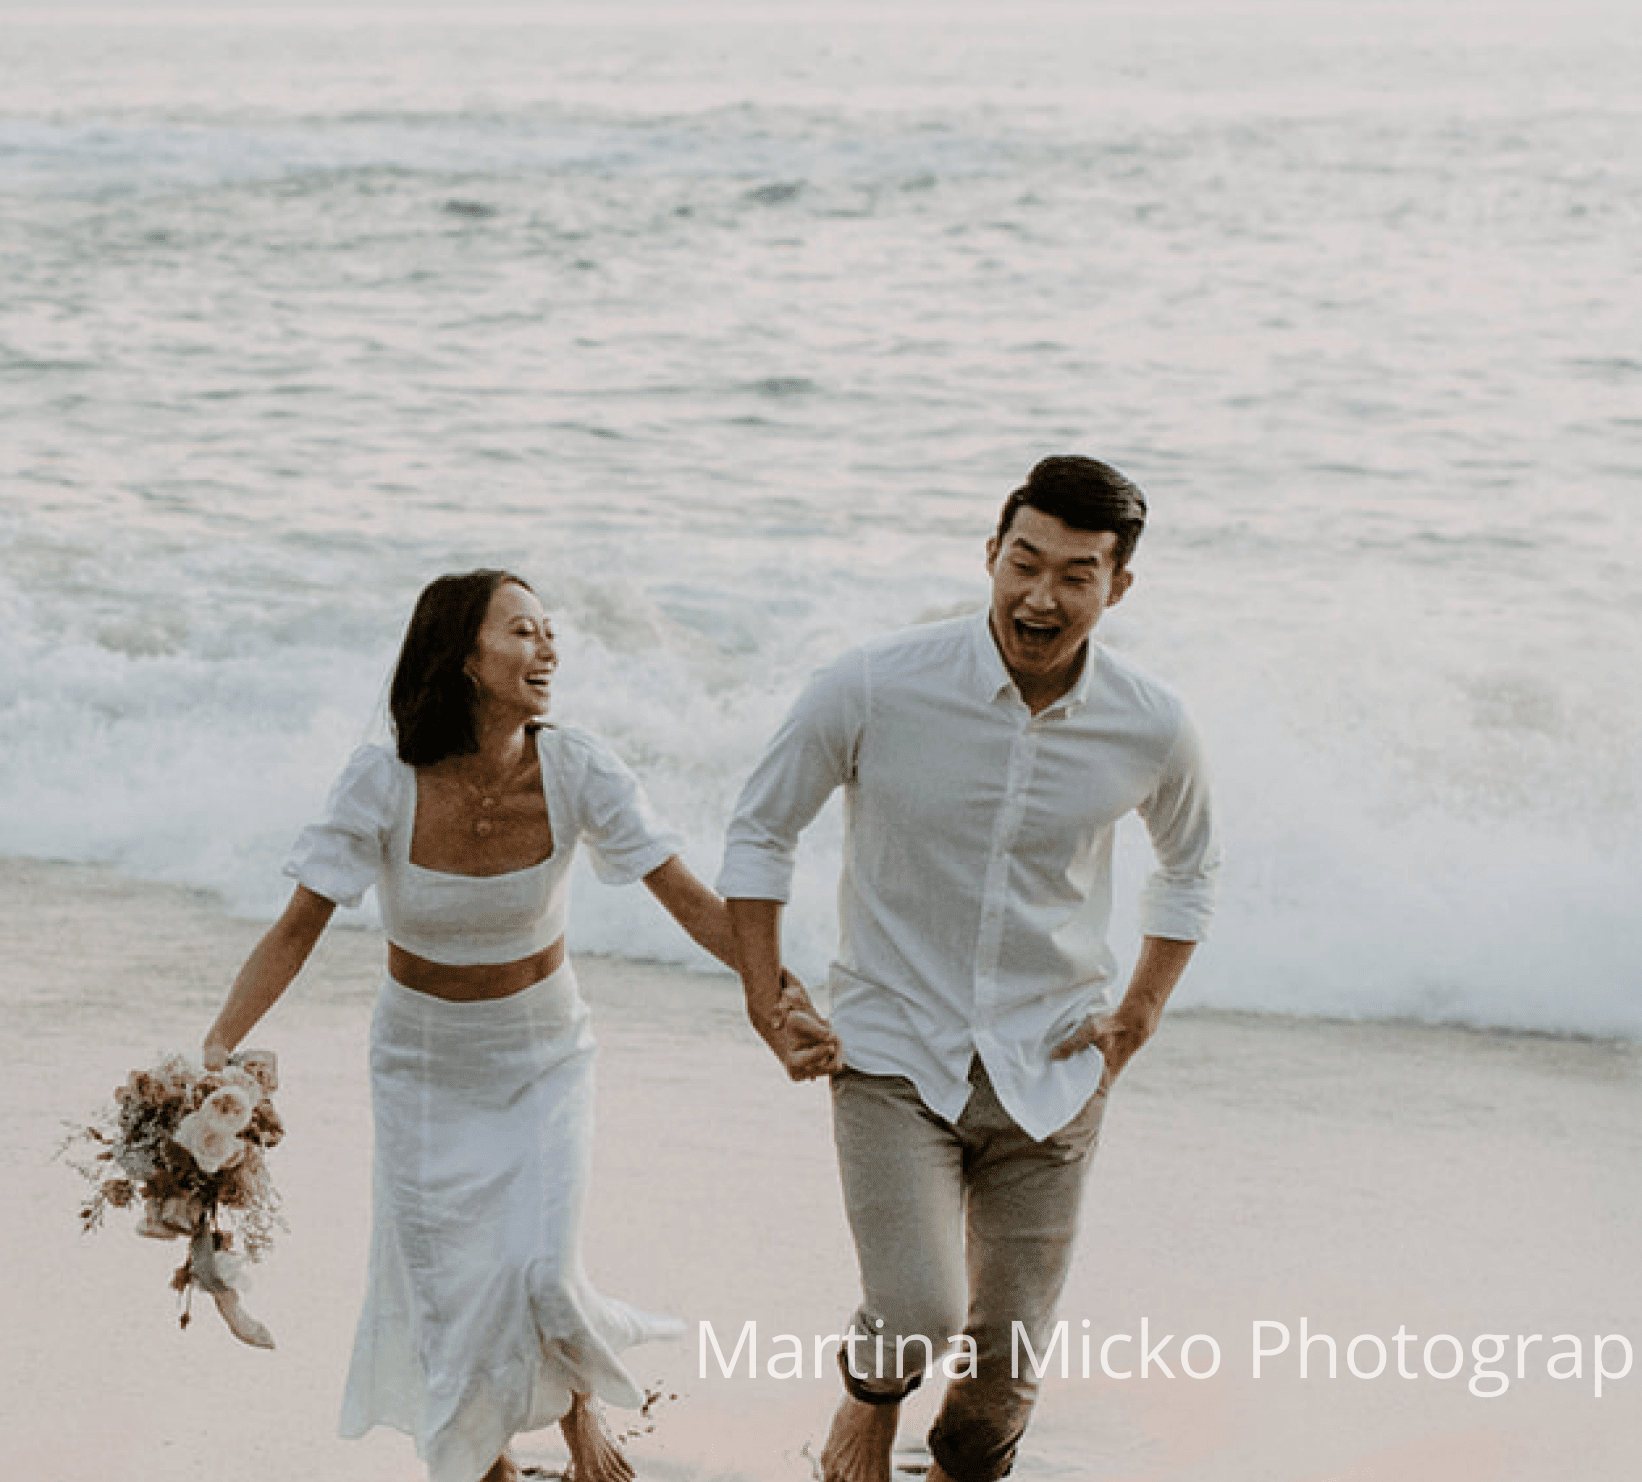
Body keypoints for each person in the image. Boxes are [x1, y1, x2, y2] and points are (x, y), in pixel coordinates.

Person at [204, 569, 833, 1482]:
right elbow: (298, 925)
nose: (548, 650)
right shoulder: (381, 782)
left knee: (541, 1265)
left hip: (543, 1051)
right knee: (451, 1282)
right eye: (524, 633)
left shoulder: (578, 767)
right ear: (464, 658)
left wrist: (778, 993)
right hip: (421, 1061)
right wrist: (221, 1044)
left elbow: (690, 901)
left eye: (550, 633)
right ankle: (483, 1454)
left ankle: (580, 1416)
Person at [720, 456, 1220, 1482]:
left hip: (1054, 1060)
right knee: (911, 1313)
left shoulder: (1151, 722)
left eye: (1074, 574)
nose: (1040, 595)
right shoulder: (871, 682)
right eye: (1022, 562)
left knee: (991, 1400)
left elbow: (1190, 867)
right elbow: (760, 830)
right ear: (989, 555)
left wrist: (1136, 1016)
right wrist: (763, 993)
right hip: (892, 1045)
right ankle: (864, 1402)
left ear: (1116, 587)